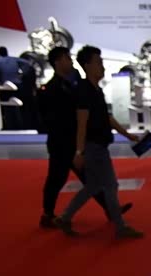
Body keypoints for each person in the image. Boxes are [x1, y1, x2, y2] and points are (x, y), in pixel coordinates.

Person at [55, 46, 143, 239]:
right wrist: (79, 152)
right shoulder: (84, 91)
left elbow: (107, 117)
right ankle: (120, 227)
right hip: (93, 147)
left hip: (97, 146)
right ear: (87, 65)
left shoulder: (95, 90)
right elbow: (82, 123)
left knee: (93, 186)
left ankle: (65, 217)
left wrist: (127, 135)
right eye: (98, 63)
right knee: (110, 185)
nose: (102, 67)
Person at [38, 47, 132, 228]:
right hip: (61, 145)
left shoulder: (79, 85)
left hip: (79, 142)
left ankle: (108, 210)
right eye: (66, 58)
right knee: (57, 179)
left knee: (92, 181)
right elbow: (53, 119)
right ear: (57, 62)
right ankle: (48, 214)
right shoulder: (51, 89)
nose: (70, 61)